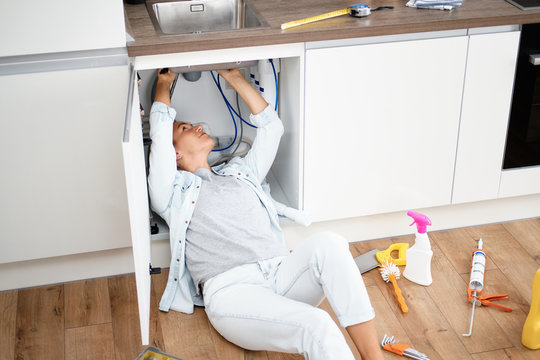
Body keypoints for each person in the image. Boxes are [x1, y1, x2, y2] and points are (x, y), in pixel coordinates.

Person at [148, 68, 384, 360]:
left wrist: (234, 77)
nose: (197, 126)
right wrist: (163, 82)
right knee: (318, 325)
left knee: (331, 243)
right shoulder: (173, 195)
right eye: (184, 129)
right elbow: (159, 132)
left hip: (280, 272)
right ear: (175, 156)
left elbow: (272, 128)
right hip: (234, 292)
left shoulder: (240, 173)